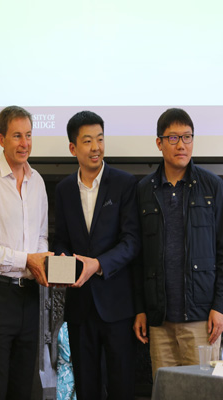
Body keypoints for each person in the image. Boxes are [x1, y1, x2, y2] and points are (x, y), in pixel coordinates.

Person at [133, 108, 223, 379]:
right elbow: (139, 257)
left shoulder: (213, 187)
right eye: (173, 138)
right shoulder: (144, 190)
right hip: (160, 321)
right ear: (159, 143)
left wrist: (220, 307)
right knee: (165, 390)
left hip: (201, 320)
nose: (181, 145)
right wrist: (140, 309)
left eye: (187, 137)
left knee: (203, 392)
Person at [53, 110, 140, 399]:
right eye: (88, 141)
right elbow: (61, 239)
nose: (96, 147)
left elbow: (131, 242)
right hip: (80, 307)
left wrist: (99, 264)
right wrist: (64, 260)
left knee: (121, 388)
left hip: (117, 307)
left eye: (100, 139)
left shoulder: (125, 184)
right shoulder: (64, 190)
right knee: (86, 388)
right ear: (73, 148)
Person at [0, 105, 53, 400]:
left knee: (22, 387)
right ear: (1, 139)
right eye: (17, 136)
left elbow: (41, 236)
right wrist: (26, 259)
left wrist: (40, 262)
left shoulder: (37, 181)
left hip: (30, 296)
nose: (24, 143)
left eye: (28, 135)